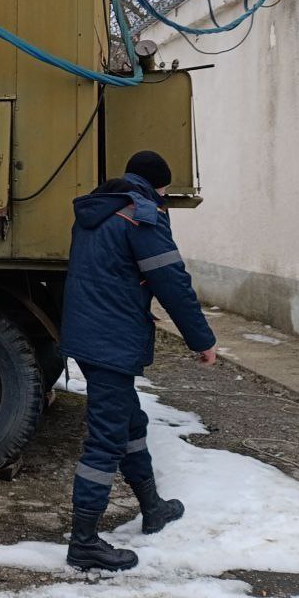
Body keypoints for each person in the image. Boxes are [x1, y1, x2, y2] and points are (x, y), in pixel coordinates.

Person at [60, 149, 217, 571]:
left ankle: (152, 507)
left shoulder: (97, 210)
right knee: (105, 440)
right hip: (112, 340)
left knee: (130, 422)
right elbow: (173, 282)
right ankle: (84, 543)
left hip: (89, 334)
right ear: (158, 184)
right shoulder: (140, 216)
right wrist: (202, 340)